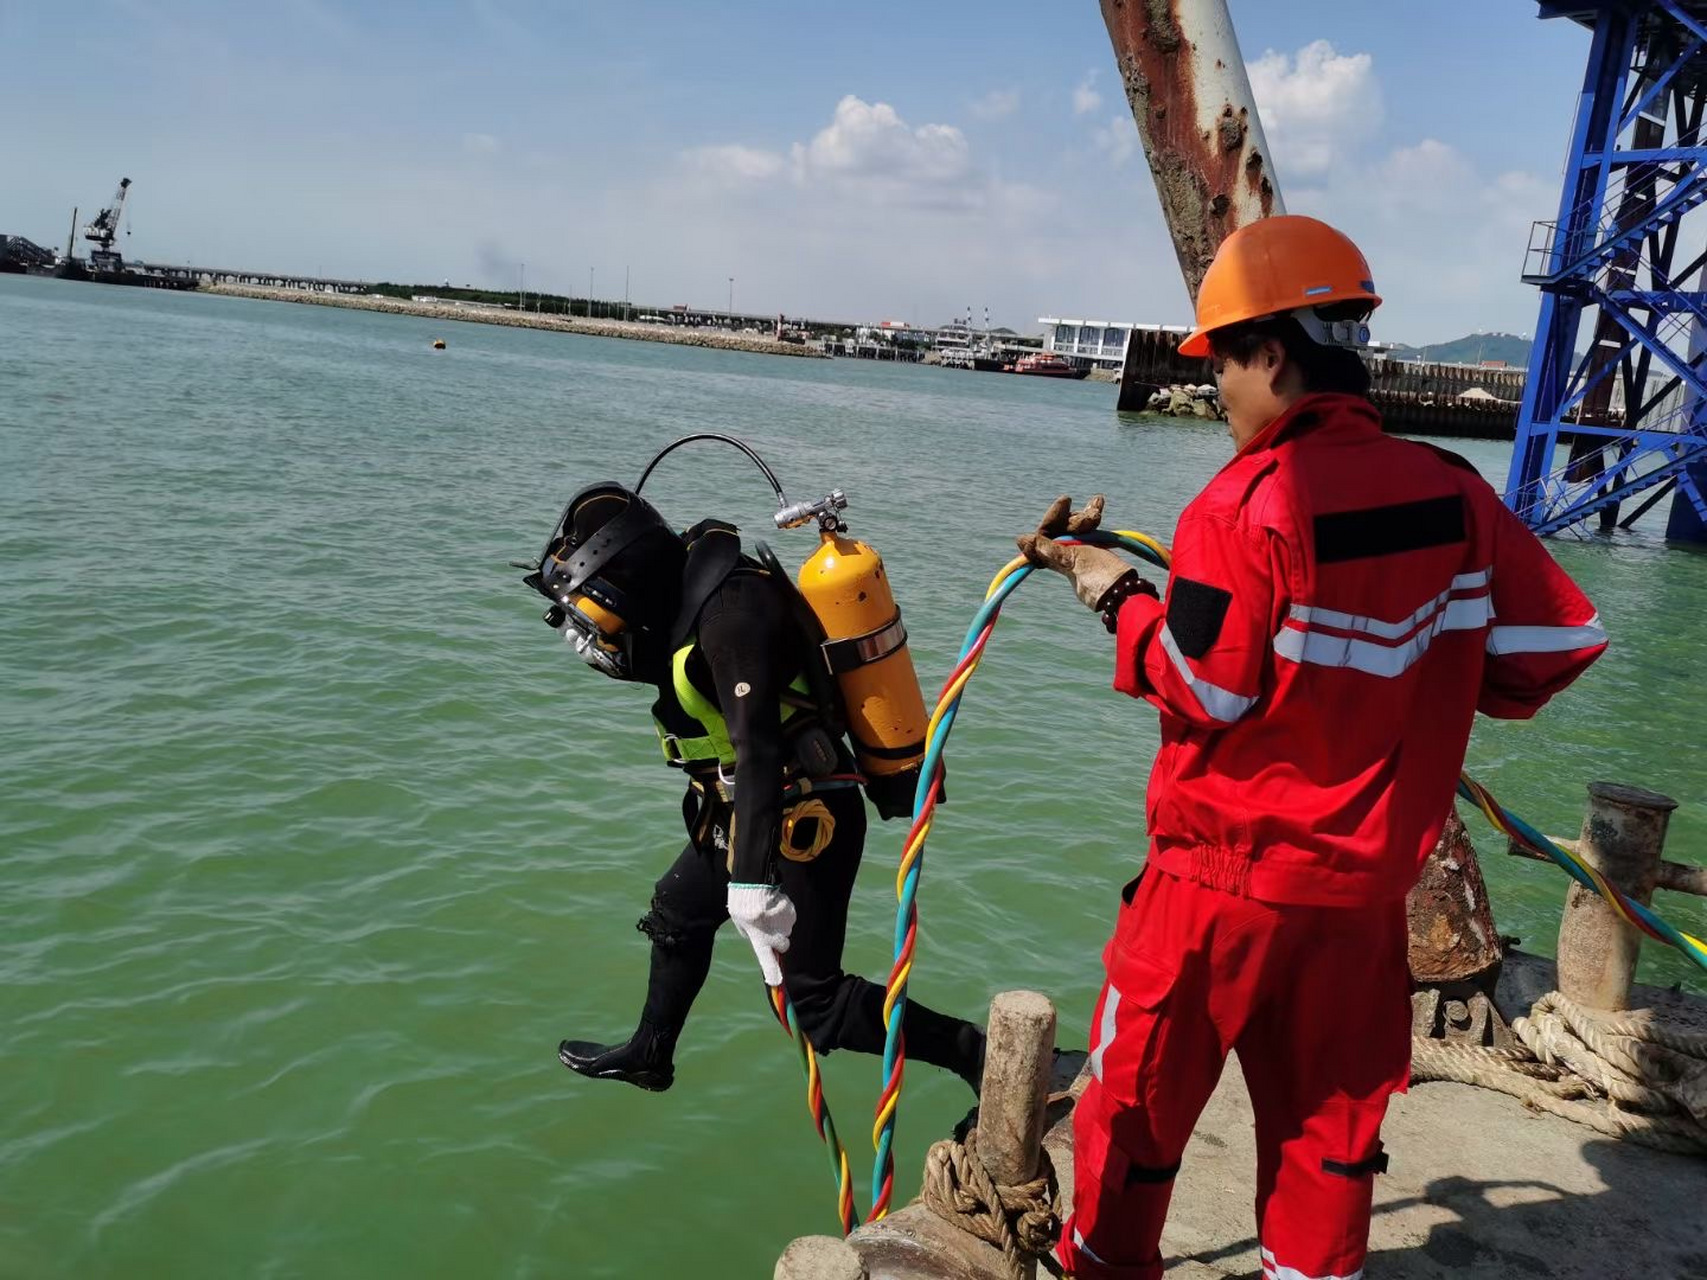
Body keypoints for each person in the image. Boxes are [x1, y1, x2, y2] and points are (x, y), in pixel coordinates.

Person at [1018, 215, 1608, 1280]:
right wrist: (1418, 683)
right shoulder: (1454, 492)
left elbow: (1207, 687)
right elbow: (1555, 647)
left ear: (1273, 353)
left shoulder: (1243, 504)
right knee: (1329, 1142)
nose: (1218, 397)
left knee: (1133, 1117)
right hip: (1362, 900)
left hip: (1216, 893)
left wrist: (1113, 592)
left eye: (1223, 371)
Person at [521, 482, 985, 1094]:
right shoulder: (681, 593)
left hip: (806, 816)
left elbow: (758, 750)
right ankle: (650, 1053)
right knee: (678, 914)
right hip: (748, 805)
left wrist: (750, 884)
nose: (591, 638)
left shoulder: (730, 615)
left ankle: (977, 1054)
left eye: (594, 611)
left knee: (815, 1005)